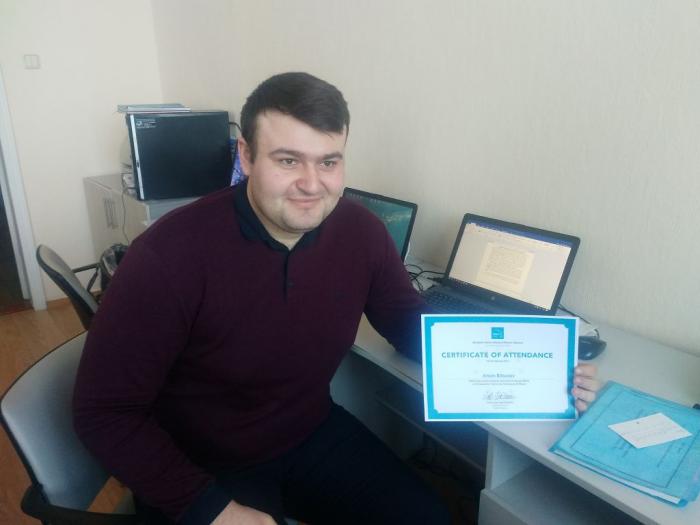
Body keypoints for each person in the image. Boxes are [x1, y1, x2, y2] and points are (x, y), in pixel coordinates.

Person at [73, 72, 600, 525]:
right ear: (246, 156)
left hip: (307, 433)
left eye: (329, 162)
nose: (312, 184)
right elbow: (104, 413)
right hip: (200, 461)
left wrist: (542, 367)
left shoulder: (361, 233)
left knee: (427, 517)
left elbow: (412, 330)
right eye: (288, 160)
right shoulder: (168, 256)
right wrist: (212, 508)